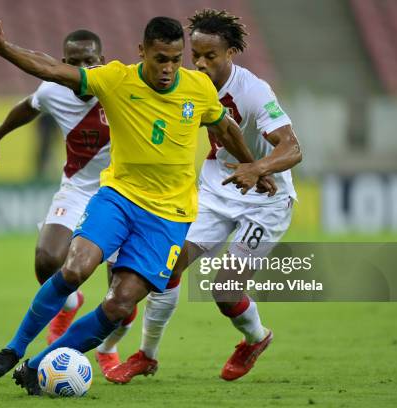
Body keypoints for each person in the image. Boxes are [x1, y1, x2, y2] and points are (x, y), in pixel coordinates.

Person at [0, 16, 276, 395]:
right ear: (141, 52)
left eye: (174, 59)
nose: (167, 69)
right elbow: (51, 67)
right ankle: (13, 349)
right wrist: (3, 48)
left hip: (169, 217)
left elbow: (226, 126)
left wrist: (252, 165)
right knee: (74, 268)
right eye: (159, 58)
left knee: (118, 306)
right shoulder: (116, 79)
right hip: (118, 198)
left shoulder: (198, 87)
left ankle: (37, 366)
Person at [106, 9, 302, 384]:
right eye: (196, 55)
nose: (201, 63)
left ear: (231, 53)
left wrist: (257, 168)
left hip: (267, 199)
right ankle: (146, 355)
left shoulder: (254, 91)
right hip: (218, 188)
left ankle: (255, 339)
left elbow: (293, 148)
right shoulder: (188, 85)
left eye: (211, 56)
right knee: (168, 266)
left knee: (225, 291)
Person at [0, 30, 135, 378]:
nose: (83, 67)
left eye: (90, 60)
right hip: (78, 188)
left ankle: (108, 348)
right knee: (47, 259)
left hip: (124, 193)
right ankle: (68, 303)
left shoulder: (121, 89)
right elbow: (27, 107)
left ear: (102, 61)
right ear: (64, 65)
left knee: (121, 295)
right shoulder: (53, 90)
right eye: (75, 62)